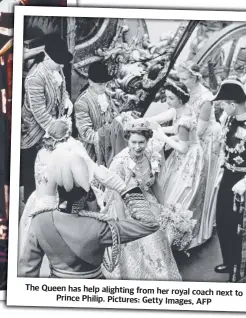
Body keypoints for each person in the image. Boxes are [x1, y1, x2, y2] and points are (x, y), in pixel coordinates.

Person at [18, 119, 160, 279]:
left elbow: (26, 275)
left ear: (58, 188)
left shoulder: (38, 222)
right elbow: (150, 224)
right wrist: (124, 188)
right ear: (86, 194)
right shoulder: (101, 227)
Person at [102, 119, 182, 281]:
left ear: (147, 141)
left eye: (141, 142)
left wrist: (165, 206)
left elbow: (156, 184)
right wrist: (123, 224)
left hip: (147, 200)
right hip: (125, 205)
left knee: (157, 233)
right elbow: (117, 196)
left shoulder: (151, 155)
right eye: (133, 142)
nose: (137, 147)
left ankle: (161, 275)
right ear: (127, 141)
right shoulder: (120, 162)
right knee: (137, 240)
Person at [145, 77, 205, 248]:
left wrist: (162, 136)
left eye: (171, 98)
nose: (168, 101)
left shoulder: (186, 119)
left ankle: (171, 237)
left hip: (188, 156)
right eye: (167, 97)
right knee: (167, 186)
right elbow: (175, 129)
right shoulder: (180, 110)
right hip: (182, 152)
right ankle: (163, 234)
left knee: (179, 192)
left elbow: (183, 147)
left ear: (180, 99)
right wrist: (155, 127)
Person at [20, 33, 73, 203]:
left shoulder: (58, 68)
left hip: (54, 125)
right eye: (58, 62)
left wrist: (67, 100)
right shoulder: (35, 78)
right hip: (34, 131)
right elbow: (39, 112)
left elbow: (63, 89)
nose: (61, 65)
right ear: (47, 58)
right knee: (36, 174)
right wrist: (56, 130)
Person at [212, 77, 246, 283]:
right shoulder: (229, 118)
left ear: (232, 104)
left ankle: (238, 273)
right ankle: (229, 261)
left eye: (222, 104)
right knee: (222, 221)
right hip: (229, 175)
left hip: (245, 182)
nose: (220, 108)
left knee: (240, 229)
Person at [177, 62, 222, 247]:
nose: (182, 82)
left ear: (195, 77)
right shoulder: (187, 92)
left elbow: (200, 130)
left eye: (185, 79)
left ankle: (202, 225)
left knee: (203, 179)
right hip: (192, 134)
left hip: (207, 139)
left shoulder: (206, 98)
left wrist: (178, 137)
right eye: (180, 78)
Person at [74, 60, 127, 165]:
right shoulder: (82, 102)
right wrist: (108, 136)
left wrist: (120, 120)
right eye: (100, 84)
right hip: (91, 152)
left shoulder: (105, 94)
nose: (103, 87)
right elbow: (86, 134)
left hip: (109, 148)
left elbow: (113, 115)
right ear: (90, 82)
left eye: (105, 84)